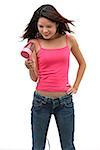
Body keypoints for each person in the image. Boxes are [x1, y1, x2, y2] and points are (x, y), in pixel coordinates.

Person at [21, 4, 86, 150]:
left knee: (68, 146)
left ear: (57, 23)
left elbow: (82, 64)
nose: (44, 30)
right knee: (38, 147)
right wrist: (30, 68)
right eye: (41, 26)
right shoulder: (34, 43)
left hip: (65, 103)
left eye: (49, 26)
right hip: (40, 102)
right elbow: (34, 78)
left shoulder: (69, 40)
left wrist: (75, 86)